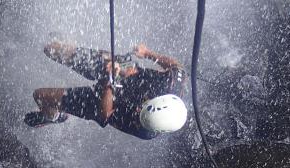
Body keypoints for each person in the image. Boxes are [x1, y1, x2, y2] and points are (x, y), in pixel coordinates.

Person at [25, 38, 188, 140]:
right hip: (126, 71)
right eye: (144, 107)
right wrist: (146, 53)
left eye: (141, 112)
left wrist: (108, 81)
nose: (139, 110)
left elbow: (105, 114)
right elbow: (175, 65)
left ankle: (54, 116)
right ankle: (69, 53)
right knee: (52, 49)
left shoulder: (145, 128)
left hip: (106, 102)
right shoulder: (173, 82)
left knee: (40, 95)